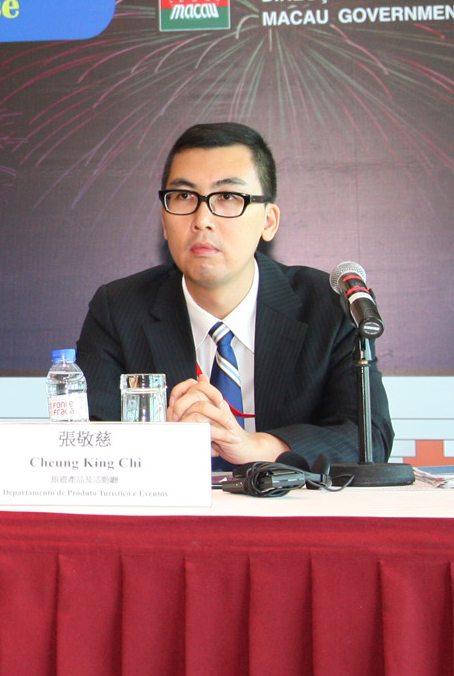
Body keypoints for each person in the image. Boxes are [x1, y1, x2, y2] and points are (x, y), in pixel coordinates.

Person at [75, 122, 391, 466]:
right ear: (164, 220)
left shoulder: (329, 307)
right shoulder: (118, 310)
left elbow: (368, 438)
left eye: (227, 197)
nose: (202, 219)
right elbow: (87, 439)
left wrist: (254, 446)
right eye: (184, 196)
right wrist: (165, 439)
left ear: (268, 221)